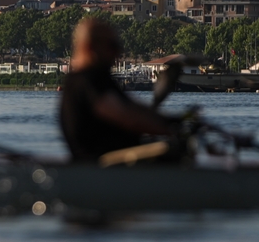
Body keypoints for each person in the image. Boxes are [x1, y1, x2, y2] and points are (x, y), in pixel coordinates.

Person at [60, 17, 177, 163]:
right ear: (90, 47)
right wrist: (172, 127)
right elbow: (126, 115)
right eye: (113, 46)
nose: (117, 52)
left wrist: (174, 120)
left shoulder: (99, 78)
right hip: (102, 166)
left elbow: (131, 107)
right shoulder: (86, 81)